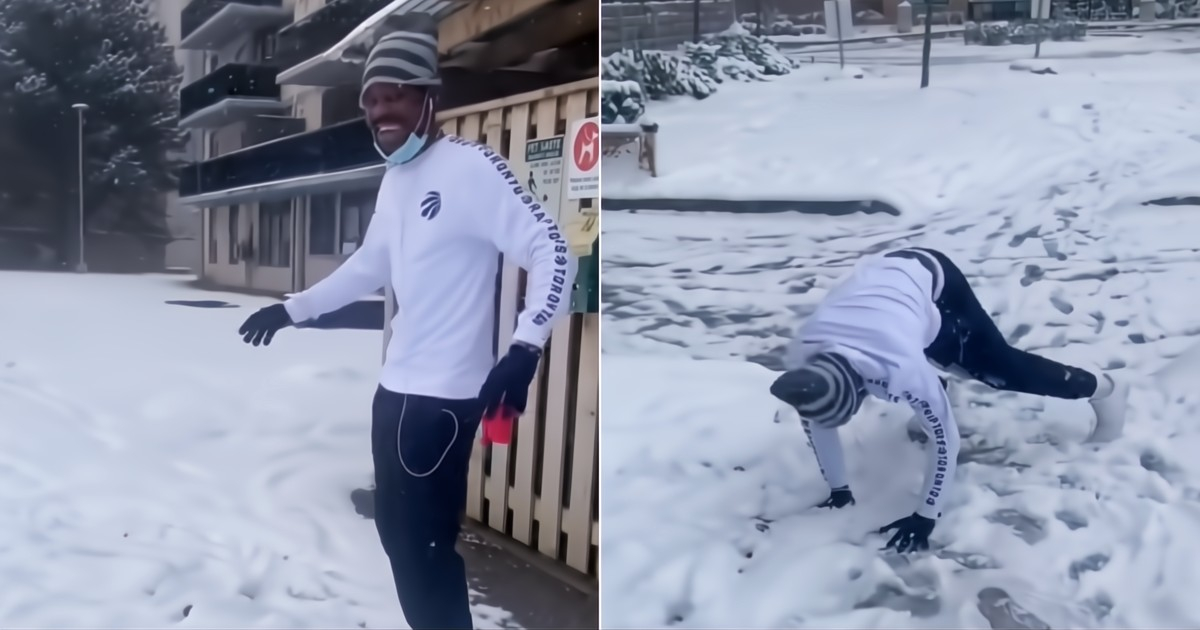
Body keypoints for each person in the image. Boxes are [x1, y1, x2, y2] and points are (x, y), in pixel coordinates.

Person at [235, 13, 577, 630]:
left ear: (429, 97)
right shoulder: (397, 180)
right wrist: (292, 310)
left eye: (396, 94)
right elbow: (370, 265)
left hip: (444, 400)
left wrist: (525, 348)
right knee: (398, 542)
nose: (381, 109)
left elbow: (554, 248)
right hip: (394, 392)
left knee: (422, 551)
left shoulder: (471, 168)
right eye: (372, 99)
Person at [768, 247, 1127, 554]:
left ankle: (1106, 389)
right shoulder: (806, 362)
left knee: (997, 370)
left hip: (932, 279)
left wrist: (926, 516)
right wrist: (839, 491)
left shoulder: (897, 365)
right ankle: (936, 388)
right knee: (933, 369)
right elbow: (818, 425)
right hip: (884, 287)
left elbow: (945, 440)